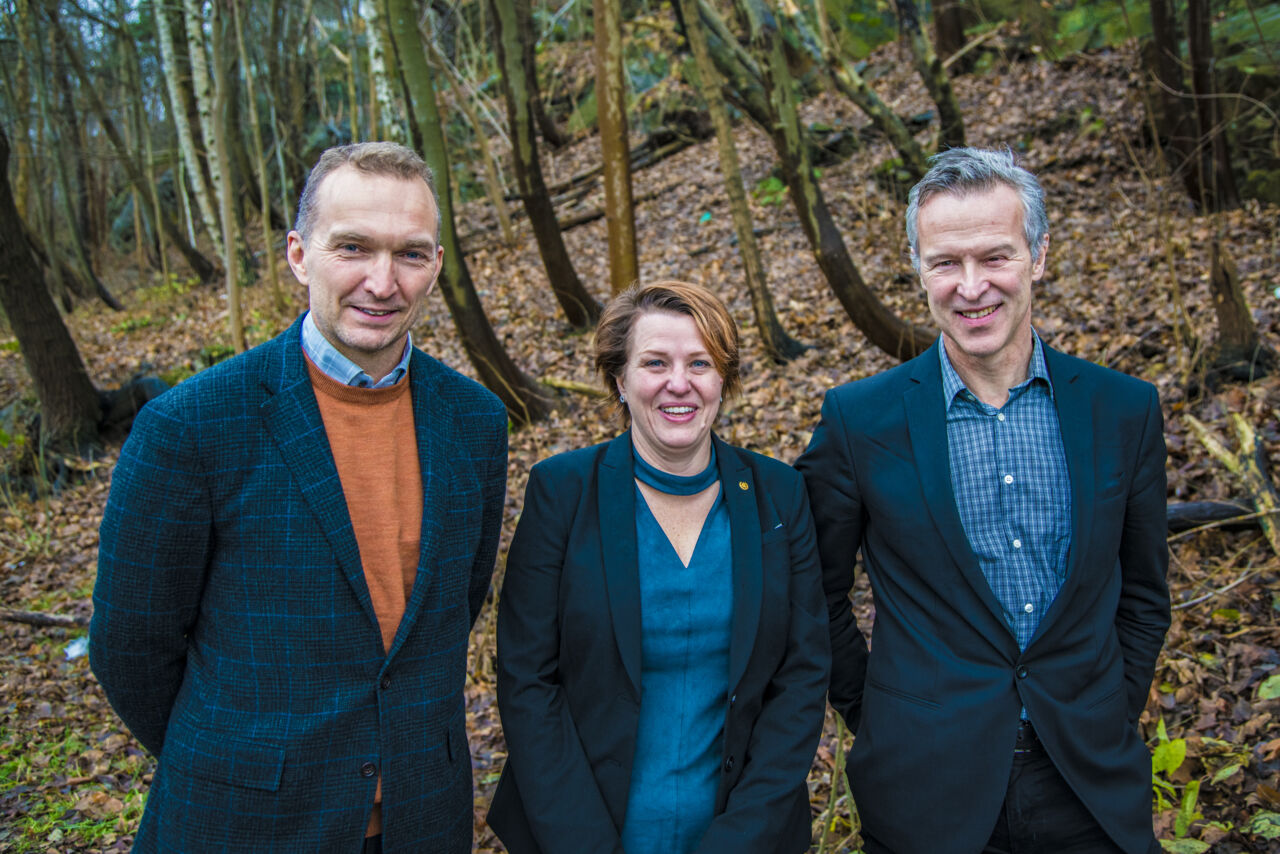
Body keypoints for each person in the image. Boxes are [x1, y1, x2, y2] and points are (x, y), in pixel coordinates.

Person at [90, 142, 508, 853]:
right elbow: (131, 646)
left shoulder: (474, 420)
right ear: (298, 255)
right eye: (353, 247)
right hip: (245, 824)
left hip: (422, 818)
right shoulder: (192, 426)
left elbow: (454, 606)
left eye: (410, 254)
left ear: (436, 266)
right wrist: (236, 761)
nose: (383, 281)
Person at [796, 147, 1170, 854]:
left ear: (1040, 254)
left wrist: (1109, 709)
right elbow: (814, 591)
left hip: (1088, 781)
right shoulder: (860, 421)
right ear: (918, 268)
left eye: (995, 256)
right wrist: (876, 711)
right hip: (923, 786)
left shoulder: (1124, 411)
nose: (971, 287)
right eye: (945, 263)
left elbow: (1145, 594)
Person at [488, 281, 829, 854]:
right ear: (619, 379)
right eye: (655, 362)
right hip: (583, 831)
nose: (680, 383)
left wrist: (740, 840)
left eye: (701, 363)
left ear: (724, 378)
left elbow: (802, 675)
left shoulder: (779, 494)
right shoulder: (562, 492)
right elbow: (526, 680)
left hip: (744, 834)